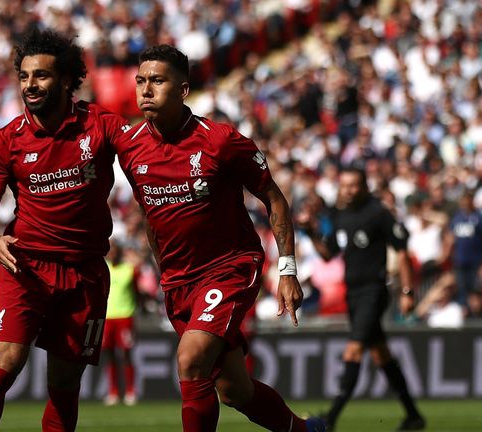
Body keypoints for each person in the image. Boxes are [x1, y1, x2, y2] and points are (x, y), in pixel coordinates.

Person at [115, 44, 325, 432]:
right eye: (140, 81)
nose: (145, 89)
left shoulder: (221, 141)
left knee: (190, 359)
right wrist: (163, 269)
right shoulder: (129, 147)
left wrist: (288, 270)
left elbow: (275, 199)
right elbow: (149, 213)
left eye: (157, 81)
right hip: (178, 280)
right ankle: (306, 430)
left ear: (182, 90)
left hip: (228, 267)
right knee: (234, 390)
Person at [0, 28, 129, 432]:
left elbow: (150, 156)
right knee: (5, 361)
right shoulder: (6, 141)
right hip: (25, 265)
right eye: (23, 76)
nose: (30, 85)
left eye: (41, 75)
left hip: (84, 271)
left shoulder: (101, 125)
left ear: (68, 79)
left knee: (64, 383)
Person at [300, 167, 425, 431]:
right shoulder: (340, 215)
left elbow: (402, 251)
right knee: (381, 354)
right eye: (344, 185)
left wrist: (407, 291)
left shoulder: (377, 213)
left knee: (353, 349)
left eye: (354, 185)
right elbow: (327, 254)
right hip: (353, 293)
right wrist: (311, 232)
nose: (348, 190)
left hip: (373, 290)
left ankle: (329, 419)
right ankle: (413, 415)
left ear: (365, 186)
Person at [102, 243, 140, 406]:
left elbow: (138, 292)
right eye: (110, 251)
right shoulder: (103, 269)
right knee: (109, 355)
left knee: (126, 354)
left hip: (125, 316)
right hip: (107, 317)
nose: (112, 254)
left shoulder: (130, 270)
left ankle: (131, 391)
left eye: (115, 251)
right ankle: (114, 392)